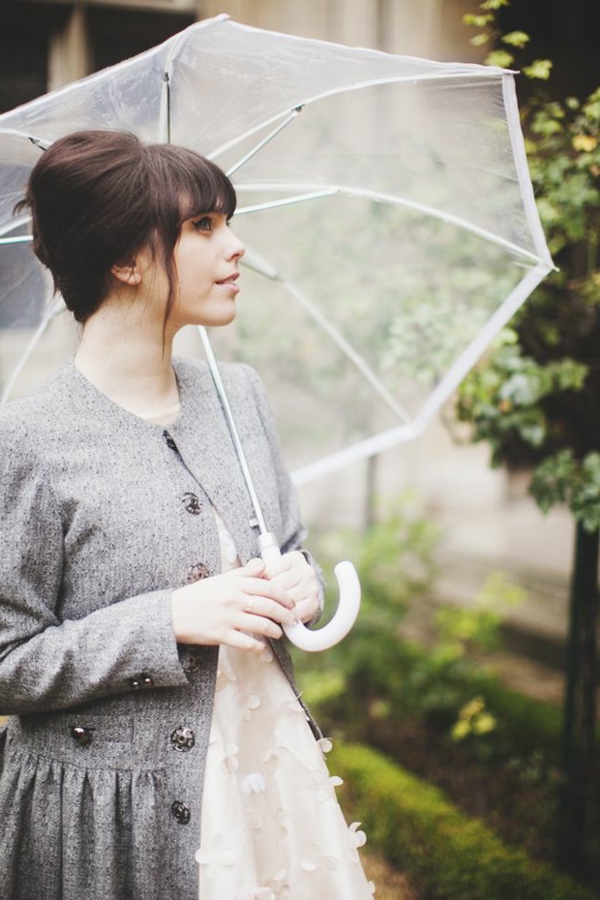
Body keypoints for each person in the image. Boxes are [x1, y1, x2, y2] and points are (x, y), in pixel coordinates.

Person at [0, 131, 374, 900]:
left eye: (227, 221)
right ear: (126, 259)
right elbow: (7, 659)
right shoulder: (29, 441)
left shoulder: (239, 397)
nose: (236, 247)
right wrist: (167, 618)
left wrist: (298, 583)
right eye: (203, 226)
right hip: (109, 816)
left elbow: (290, 543)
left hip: (266, 777)